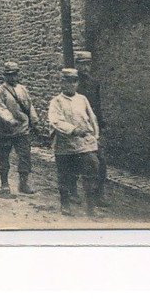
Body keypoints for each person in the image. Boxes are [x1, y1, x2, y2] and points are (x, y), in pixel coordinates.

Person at [48, 68, 101, 217]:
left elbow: (92, 117)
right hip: (65, 145)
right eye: (68, 82)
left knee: (91, 170)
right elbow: (56, 121)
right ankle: (65, 204)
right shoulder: (56, 101)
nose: (71, 85)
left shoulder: (82, 99)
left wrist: (95, 135)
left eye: (74, 81)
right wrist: (73, 130)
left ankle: (91, 207)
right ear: (62, 83)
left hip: (84, 144)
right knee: (65, 175)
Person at [0, 61, 38, 197]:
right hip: (4, 131)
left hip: (21, 130)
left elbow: (29, 105)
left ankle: (23, 183)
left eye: (15, 74)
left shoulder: (22, 89)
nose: (12, 77)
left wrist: (34, 120)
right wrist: (10, 120)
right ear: (5, 76)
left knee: (24, 156)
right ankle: (4, 183)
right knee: (3, 157)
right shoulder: (0, 91)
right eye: (9, 75)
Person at [75, 50, 109, 206]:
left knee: (100, 160)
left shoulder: (94, 83)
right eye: (82, 64)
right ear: (77, 65)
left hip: (93, 127)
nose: (85, 68)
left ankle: (99, 193)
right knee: (76, 160)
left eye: (88, 64)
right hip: (77, 128)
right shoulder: (73, 84)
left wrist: (100, 124)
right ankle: (73, 192)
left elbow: (97, 105)